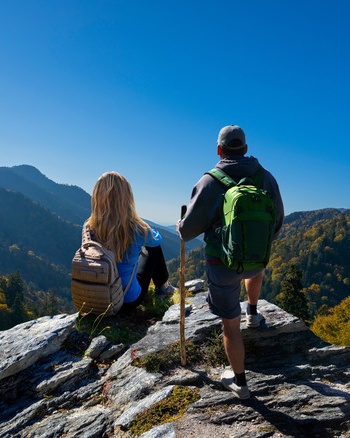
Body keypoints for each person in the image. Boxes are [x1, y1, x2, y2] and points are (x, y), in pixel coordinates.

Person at [177, 125, 284, 400]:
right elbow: (278, 222)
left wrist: (180, 225)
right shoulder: (266, 178)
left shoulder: (210, 181)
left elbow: (188, 231)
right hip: (257, 260)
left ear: (219, 150)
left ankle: (240, 383)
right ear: (245, 149)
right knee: (254, 269)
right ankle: (253, 312)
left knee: (229, 326)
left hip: (221, 264)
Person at [87, 171, 176, 312]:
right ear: (126, 198)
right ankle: (163, 288)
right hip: (127, 300)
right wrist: (138, 221)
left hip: (96, 300)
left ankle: (163, 287)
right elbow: (156, 240)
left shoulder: (89, 227)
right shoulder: (135, 228)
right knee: (153, 249)